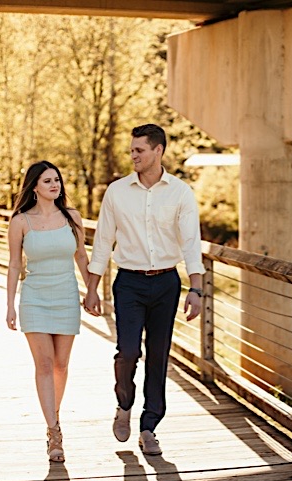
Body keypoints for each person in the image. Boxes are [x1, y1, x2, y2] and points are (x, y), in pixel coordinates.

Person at [82, 123, 205, 457]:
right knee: (128, 351)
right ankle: (124, 404)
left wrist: (196, 289)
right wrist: (92, 289)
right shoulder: (117, 192)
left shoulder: (180, 192)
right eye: (132, 150)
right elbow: (103, 242)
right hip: (130, 283)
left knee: (159, 356)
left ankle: (149, 426)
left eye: (139, 150)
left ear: (158, 151)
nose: (133, 155)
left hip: (167, 282)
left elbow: (191, 242)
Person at [6, 160, 90, 463]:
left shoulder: (73, 218)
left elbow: (82, 256)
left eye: (57, 180)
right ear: (34, 187)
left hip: (66, 296)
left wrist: (92, 291)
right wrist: (10, 305)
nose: (54, 185)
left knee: (60, 365)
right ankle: (54, 433)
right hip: (34, 298)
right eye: (47, 181)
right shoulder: (20, 222)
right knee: (43, 364)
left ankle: (52, 413)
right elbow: (15, 264)